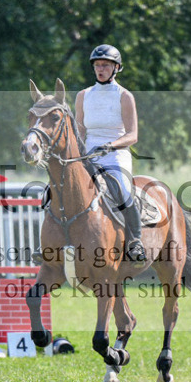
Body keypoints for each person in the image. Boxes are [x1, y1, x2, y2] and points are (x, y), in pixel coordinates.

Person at [75, 44, 147, 263]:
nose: (100, 69)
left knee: (123, 189)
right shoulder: (83, 96)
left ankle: (135, 240)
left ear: (116, 68)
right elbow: (79, 130)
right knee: (61, 187)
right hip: (88, 155)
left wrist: (110, 146)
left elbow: (132, 135)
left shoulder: (124, 96)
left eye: (105, 65)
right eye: (97, 65)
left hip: (116, 155)